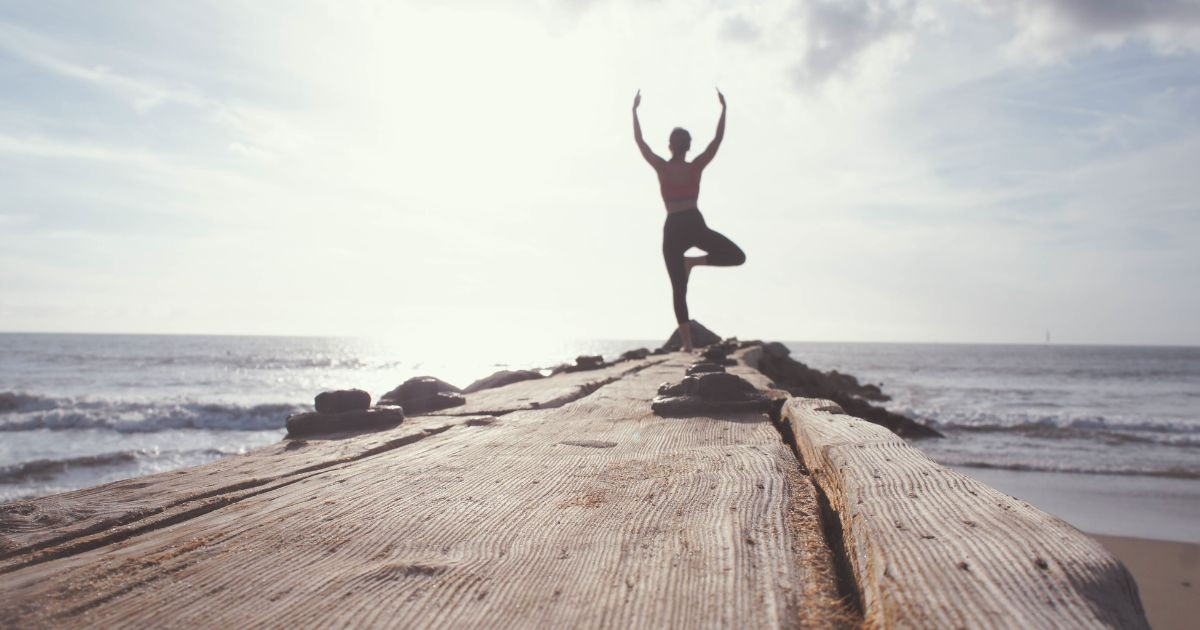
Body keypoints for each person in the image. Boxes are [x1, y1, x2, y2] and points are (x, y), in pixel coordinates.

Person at [633, 88, 745, 352]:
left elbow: (641, 143)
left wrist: (634, 112)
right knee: (737, 256)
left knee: (678, 288)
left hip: (674, 226)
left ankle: (687, 344)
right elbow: (716, 142)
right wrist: (724, 111)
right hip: (693, 223)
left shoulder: (663, 167)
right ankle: (693, 263)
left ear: (670, 145)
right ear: (688, 145)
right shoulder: (694, 167)